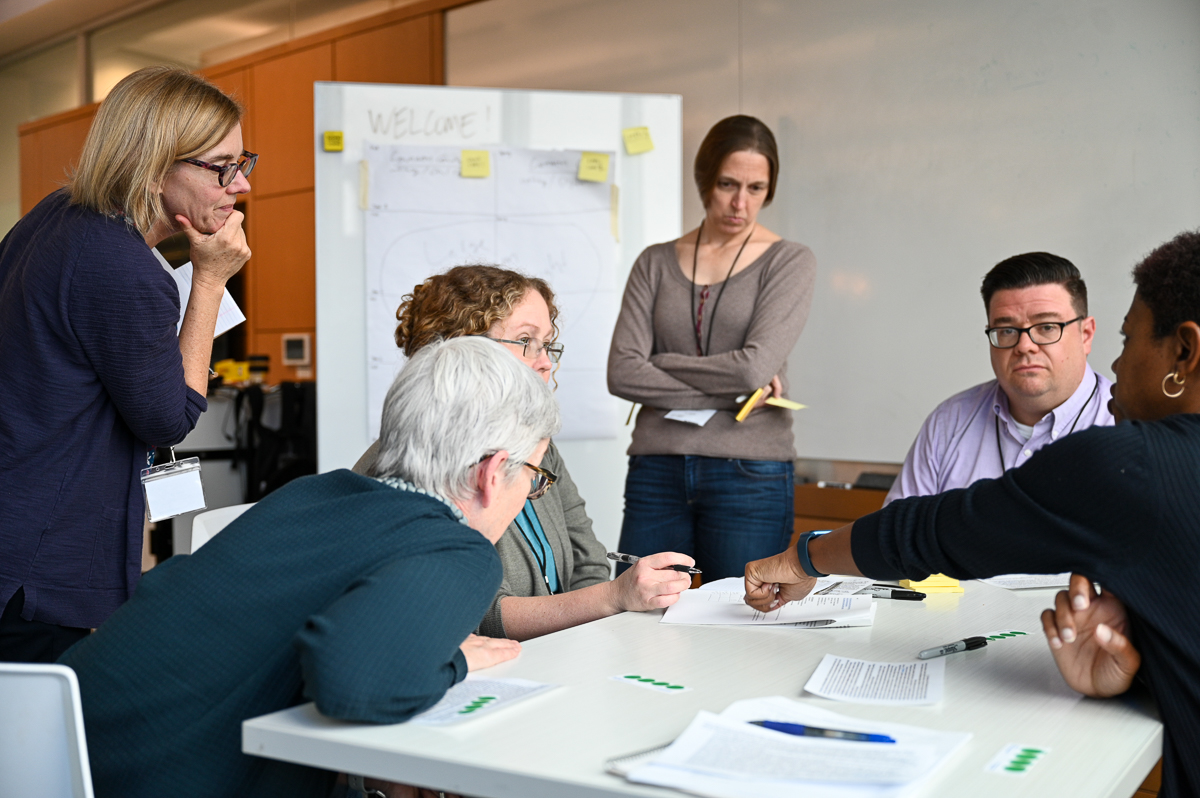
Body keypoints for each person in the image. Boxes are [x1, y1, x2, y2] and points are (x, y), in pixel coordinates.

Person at [743, 229, 1200, 798]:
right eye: (1007, 331)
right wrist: (1131, 678)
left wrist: (804, 555)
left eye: (1130, 339)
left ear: (1184, 351)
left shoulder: (1133, 459)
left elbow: (931, 533)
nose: (1118, 360)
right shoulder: (955, 418)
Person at [60, 336, 554, 798]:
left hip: (50, 744)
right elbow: (353, 683)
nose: (529, 494)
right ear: (492, 473)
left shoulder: (314, 492)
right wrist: (456, 661)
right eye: (534, 476)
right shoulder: (458, 549)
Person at [0, 66, 253, 662]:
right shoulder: (122, 265)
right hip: (35, 562)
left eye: (243, 163)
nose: (238, 186)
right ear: (153, 161)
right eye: (221, 167)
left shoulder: (58, 215)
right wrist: (211, 279)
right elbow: (168, 419)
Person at [353, 265, 693, 641]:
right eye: (526, 339)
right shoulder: (407, 461)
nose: (546, 360)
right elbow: (474, 613)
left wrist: (592, 618)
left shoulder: (537, 443)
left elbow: (589, 561)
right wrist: (612, 598)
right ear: (464, 348)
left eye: (547, 342)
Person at [607, 115, 817, 580]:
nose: (741, 203)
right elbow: (622, 372)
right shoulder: (654, 262)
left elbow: (753, 368)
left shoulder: (789, 261)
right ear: (705, 179)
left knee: (740, 621)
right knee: (635, 619)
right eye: (727, 184)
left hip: (749, 470)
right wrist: (735, 390)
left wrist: (660, 364)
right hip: (657, 465)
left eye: (756, 188)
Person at [885, 252, 1113, 504]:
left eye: (1047, 327)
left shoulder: (1126, 425)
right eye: (1006, 330)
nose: (1025, 346)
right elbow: (894, 535)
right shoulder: (949, 423)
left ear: (1086, 334)